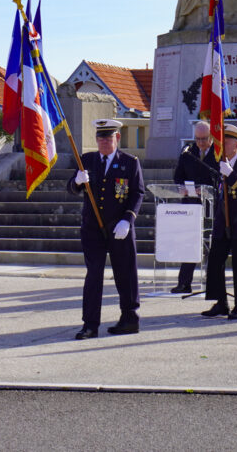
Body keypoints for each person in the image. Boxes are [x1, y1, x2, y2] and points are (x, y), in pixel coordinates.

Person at [67, 119, 145, 339]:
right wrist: (78, 182)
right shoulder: (87, 160)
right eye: (100, 138)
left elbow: (138, 193)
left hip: (118, 226)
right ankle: (90, 324)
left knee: (126, 274)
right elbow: (71, 188)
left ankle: (130, 318)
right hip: (93, 229)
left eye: (108, 138)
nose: (103, 142)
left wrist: (128, 219)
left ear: (117, 138)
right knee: (94, 276)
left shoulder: (130, 162)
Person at [200, 124, 237, 320]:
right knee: (215, 262)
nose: (221, 147)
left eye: (225, 143)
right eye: (220, 143)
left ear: (236, 144)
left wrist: (231, 174)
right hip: (221, 221)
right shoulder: (219, 162)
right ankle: (221, 302)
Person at [170, 121, 218, 293]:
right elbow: (178, 177)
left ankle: (213, 280)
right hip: (191, 204)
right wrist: (183, 187)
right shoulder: (187, 153)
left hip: (212, 206)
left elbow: (220, 178)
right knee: (188, 243)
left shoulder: (219, 153)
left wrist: (205, 189)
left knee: (212, 244)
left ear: (212, 137)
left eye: (204, 139)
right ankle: (184, 283)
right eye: (197, 139)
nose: (200, 143)